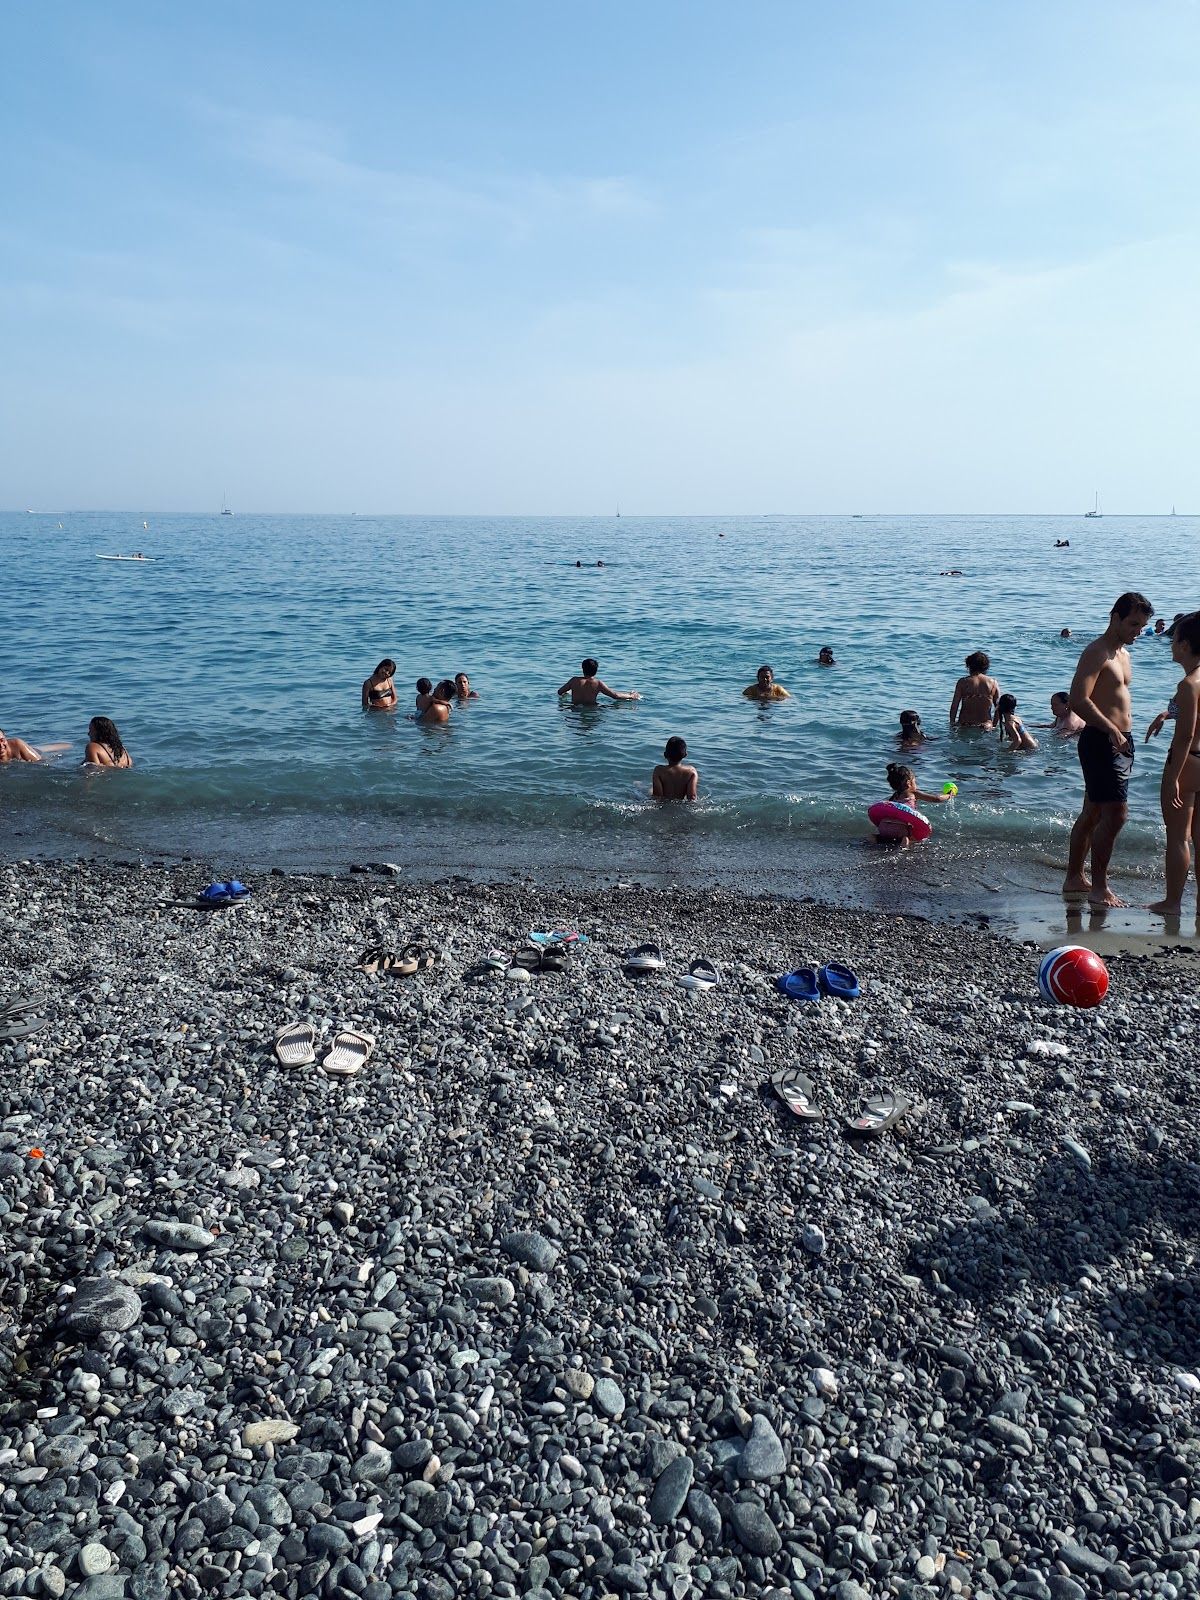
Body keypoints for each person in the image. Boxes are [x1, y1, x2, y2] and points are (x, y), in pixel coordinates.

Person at [1063, 591, 1154, 907]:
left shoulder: (1123, 654)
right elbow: (1078, 699)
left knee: (1093, 812)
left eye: (1141, 626)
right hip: (1101, 741)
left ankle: (1074, 877)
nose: (1137, 632)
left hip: (1120, 741)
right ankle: (1099, 887)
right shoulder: (1096, 652)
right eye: (1133, 624)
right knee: (1116, 815)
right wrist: (1111, 728)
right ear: (1115, 617)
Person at [1148, 611, 1200, 914]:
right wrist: (1168, 713)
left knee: (1178, 838)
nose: (1170, 644)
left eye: (1174, 639)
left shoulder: (1189, 684)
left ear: (1183, 644)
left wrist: (1172, 779)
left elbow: (1185, 737)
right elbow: (1189, 710)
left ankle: (1172, 903)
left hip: (1188, 762)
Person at [873, 762, 951, 843]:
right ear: (908, 783)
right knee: (910, 831)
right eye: (915, 781)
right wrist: (949, 795)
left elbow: (889, 809)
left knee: (886, 836)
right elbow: (937, 799)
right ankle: (905, 841)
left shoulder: (894, 796)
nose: (916, 784)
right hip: (900, 828)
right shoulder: (913, 793)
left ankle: (876, 838)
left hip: (883, 826)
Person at [557, 658, 641, 705]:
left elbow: (560, 691)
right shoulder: (598, 683)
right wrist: (631, 696)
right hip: (592, 708)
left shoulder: (574, 680)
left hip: (574, 709)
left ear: (582, 669)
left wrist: (567, 692)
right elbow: (615, 695)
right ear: (596, 670)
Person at [949, 651, 1000, 728]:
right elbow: (999, 707)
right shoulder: (993, 683)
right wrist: (994, 725)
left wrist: (952, 724)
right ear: (986, 667)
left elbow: (954, 706)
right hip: (985, 725)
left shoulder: (963, 682)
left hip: (965, 724)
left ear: (969, 666)